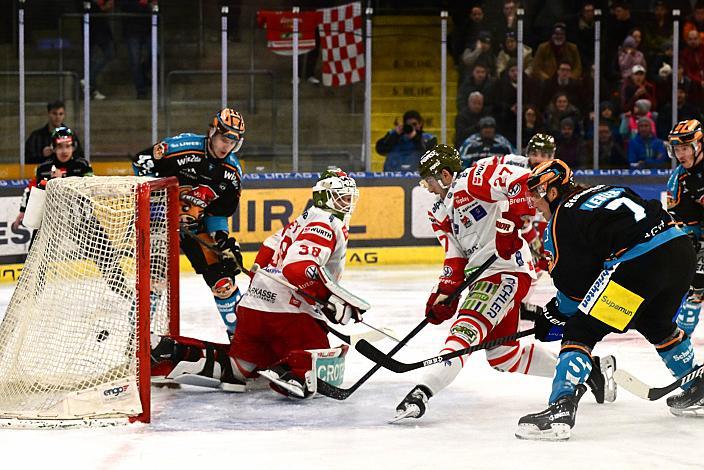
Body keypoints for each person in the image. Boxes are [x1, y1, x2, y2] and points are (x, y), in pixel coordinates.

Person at [393, 146, 612, 422]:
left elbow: (524, 183)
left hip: (508, 270)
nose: (428, 188)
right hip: (483, 276)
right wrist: (444, 293)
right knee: (502, 355)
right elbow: (454, 254)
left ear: (445, 175)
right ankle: (588, 369)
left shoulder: (476, 177)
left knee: (466, 328)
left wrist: (508, 222)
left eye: (430, 181)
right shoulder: (438, 211)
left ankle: (421, 394)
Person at [516, 159, 697, 441]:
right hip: (680, 250)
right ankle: (696, 383)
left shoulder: (563, 216)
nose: (535, 204)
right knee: (655, 322)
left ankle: (560, 407)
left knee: (581, 329)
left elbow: (574, 288)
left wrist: (553, 316)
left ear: (552, 192)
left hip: (641, 262)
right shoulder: (606, 189)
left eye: (538, 194)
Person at [150, 169, 365, 399]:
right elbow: (296, 268)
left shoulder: (304, 218)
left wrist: (261, 286)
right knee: (317, 357)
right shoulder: (326, 222)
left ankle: (172, 352)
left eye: (350, 197)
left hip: (253, 308)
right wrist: (328, 297)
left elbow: (266, 251)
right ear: (324, 197)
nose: (347, 203)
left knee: (239, 367)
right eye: (341, 196)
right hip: (289, 315)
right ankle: (294, 375)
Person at [132, 108, 246, 337]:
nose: (226, 146)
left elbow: (217, 213)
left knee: (223, 281)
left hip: (196, 227)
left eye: (232, 142)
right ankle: (136, 341)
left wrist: (222, 239)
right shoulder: (181, 149)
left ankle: (241, 339)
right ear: (213, 131)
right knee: (153, 280)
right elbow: (141, 163)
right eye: (224, 138)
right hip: (159, 222)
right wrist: (159, 201)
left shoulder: (232, 173)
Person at [13, 127, 93, 233]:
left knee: (102, 244)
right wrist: (23, 211)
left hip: (80, 217)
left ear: (73, 147)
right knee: (35, 247)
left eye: (68, 146)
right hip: (51, 219)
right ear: (53, 148)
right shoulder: (43, 168)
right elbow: (32, 190)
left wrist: (62, 180)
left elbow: (91, 187)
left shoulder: (83, 165)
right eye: (60, 147)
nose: (64, 151)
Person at [667, 120, 704, 336]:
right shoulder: (678, 178)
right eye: (677, 149)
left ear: (698, 145)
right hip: (699, 237)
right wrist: (686, 237)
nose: (681, 154)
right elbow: (676, 215)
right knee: (695, 288)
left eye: (685, 148)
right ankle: (681, 342)